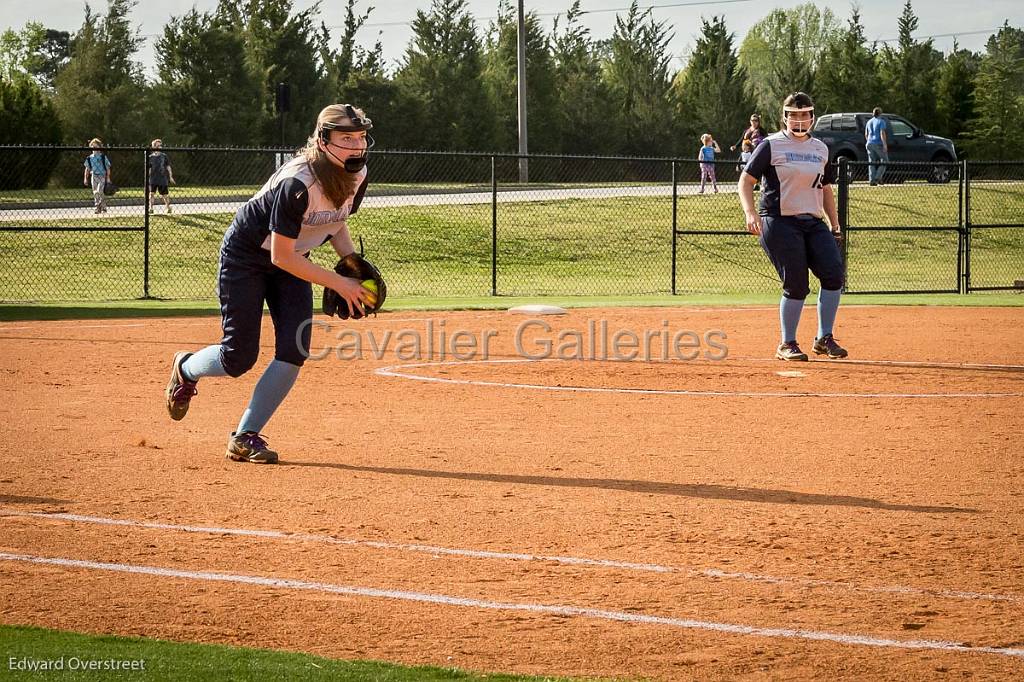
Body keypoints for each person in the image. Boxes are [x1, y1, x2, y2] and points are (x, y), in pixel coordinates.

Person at [164, 104, 376, 464]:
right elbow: (281, 256)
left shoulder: (358, 174)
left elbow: (336, 220)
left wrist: (350, 263)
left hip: (293, 260)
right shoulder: (299, 182)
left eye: (360, 138)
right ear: (324, 141)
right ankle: (185, 369)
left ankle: (245, 436)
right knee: (238, 357)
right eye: (346, 138)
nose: (356, 146)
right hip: (248, 257)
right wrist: (339, 283)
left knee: (294, 349)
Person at [737, 91, 848, 362]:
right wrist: (750, 213)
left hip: (812, 220)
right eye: (794, 115)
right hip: (779, 219)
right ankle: (786, 343)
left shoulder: (820, 148)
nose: (800, 119)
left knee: (834, 275)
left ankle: (824, 338)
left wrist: (834, 223)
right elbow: (745, 181)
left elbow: (825, 189)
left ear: (812, 116)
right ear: (784, 117)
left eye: (804, 114)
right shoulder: (771, 145)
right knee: (797, 283)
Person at [83, 138, 112, 214]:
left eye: (96, 147)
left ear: (99, 147)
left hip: (102, 176)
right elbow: (87, 169)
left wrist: (108, 178)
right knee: (95, 192)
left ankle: (103, 206)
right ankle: (97, 207)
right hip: (94, 176)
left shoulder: (103, 157)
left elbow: (108, 168)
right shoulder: (90, 158)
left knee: (100, 191)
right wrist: (85, 179)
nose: (95, 149)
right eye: (93, 147)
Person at [148, 139, 176, 213]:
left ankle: (168, 207)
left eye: (160, 145)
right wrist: (148, 176)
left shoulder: (164, 156)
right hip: (153, 179)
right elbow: (149, 168)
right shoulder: (150, 157)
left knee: (165, 195)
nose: (160, 147)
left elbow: (168, 167)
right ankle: (150, 208)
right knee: (151, 194)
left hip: (162, 178)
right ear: (154, 147)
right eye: (158, 145)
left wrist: (170, 176)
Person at [864, 107, 888, 186]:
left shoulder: (869, 122)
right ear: (880, 113)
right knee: (885, 161)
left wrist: (868, 141)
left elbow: (866, 134)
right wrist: (884, 144)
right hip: (878, 143)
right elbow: (882, 133)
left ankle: (871, 180)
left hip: (869, 143)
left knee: (872, 162)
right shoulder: (881, 121)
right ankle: (877, 177)